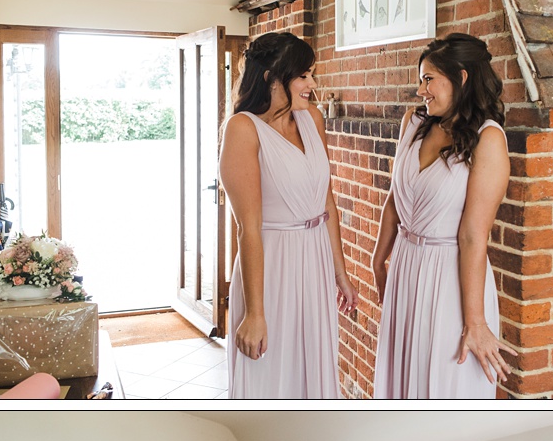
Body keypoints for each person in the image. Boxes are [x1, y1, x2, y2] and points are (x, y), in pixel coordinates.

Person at [372, 35, 517, 398]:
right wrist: (379, 261)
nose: (421, 90)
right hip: (406, 266)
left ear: (462, 78)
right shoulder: (413, 122)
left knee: (441, 386)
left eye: (428, 79)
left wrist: (476, 321)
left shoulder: (488, 140)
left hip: (449, 278)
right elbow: (396, 198)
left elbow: (473, 236)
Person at [220, 32, 358, 400]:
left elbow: (326, 201)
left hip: (314, 261)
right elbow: (247, 228)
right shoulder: (243, 129)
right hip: (272, 267)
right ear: (271, 78)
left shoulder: (312, 118)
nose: (312, 84)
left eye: (311, 74)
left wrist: (340, 273)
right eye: (303, 76)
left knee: (313, 371)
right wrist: (254, 312)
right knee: (272, 375)